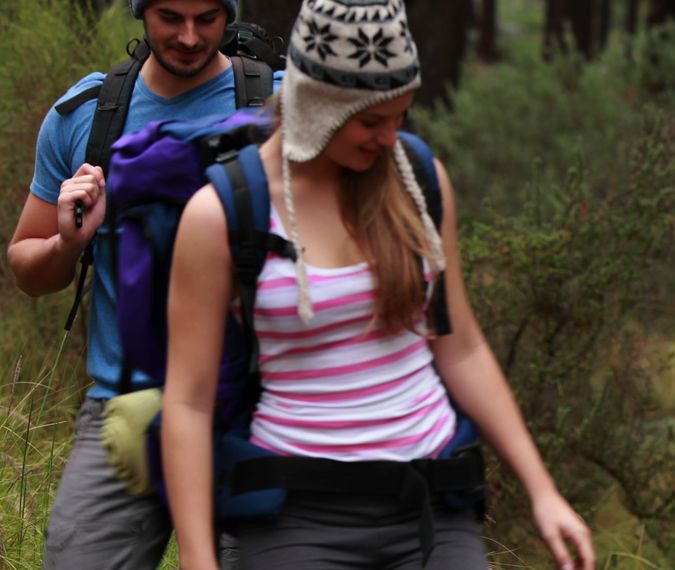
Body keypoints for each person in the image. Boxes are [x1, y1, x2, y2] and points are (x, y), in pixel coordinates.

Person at [161, 0, 596, 568]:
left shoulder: (418, 181)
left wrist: (543, 491)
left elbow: (460, 346)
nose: (390, 138)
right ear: (316, 103)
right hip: (296, 513)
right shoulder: (223, 212)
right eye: (370, 121)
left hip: (433, 503)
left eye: (401, 115)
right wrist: (198, 560)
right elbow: (187, 404)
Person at [5, 0, 280, 566]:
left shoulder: (280, 103)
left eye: (207, 18)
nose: (188, 35)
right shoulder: (87, 112)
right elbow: (28, 269)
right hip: (125, 407)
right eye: (169, 16)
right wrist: (67, 242)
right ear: (141, 11)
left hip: (257, 407)